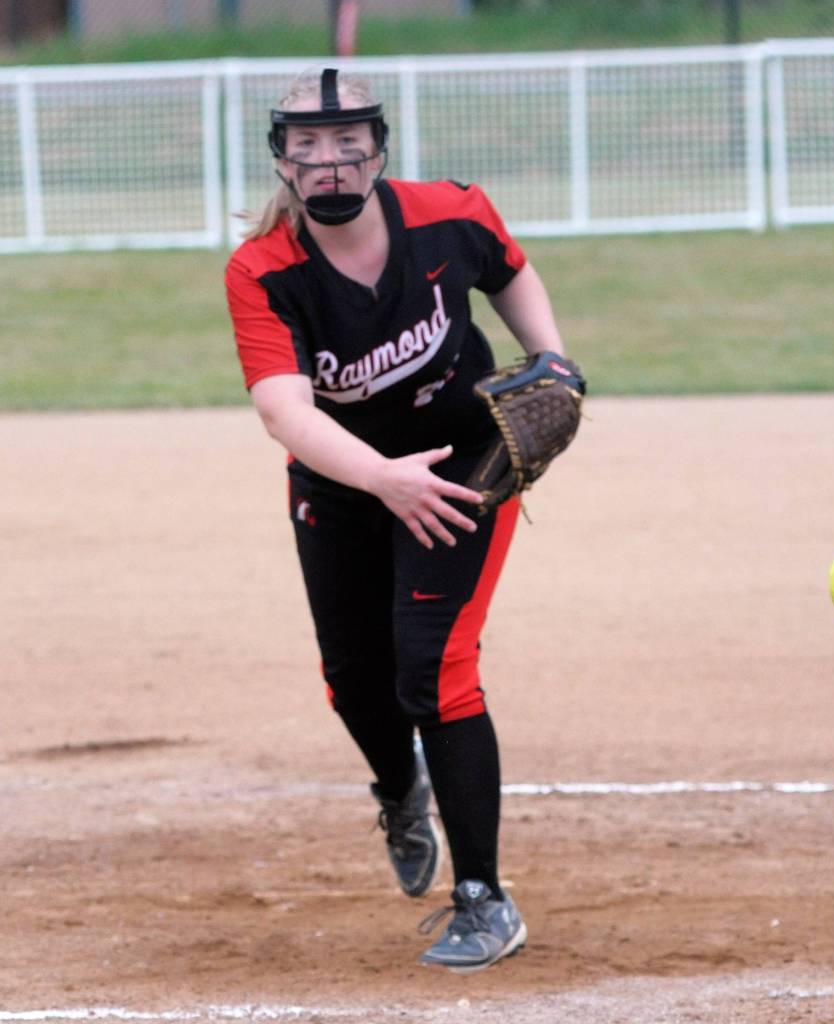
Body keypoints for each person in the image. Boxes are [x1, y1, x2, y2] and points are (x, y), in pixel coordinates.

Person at [224, 67, 571, 973]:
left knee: (435, 666)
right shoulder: (264, 268)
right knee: (354, 681)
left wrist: (552, 359)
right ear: (281, 160)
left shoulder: (448, 214)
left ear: (379, 148)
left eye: (349, 142)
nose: (330, 162)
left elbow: (510, 271)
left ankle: (483, 899)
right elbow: (284, 412)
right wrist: (383, 480)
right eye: (308, 146)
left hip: (459, 468)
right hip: (344, 480)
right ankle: (397, 788)